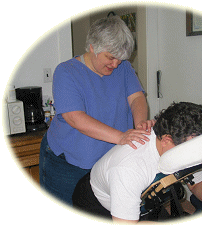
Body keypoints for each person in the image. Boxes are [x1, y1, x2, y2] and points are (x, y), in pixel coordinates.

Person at [39, 15, 154, 206]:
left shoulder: (123, 68)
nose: (116, 64)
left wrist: (140, 125)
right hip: (67, 163)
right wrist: (121, 137)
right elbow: (76, 118)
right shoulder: (67, 72)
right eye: (110, 57)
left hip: (106, 160)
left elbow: (136, 97)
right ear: (93, 46)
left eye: (120, 59)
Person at [72, 102, 202, 223]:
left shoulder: (183, 145)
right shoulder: (129, 168)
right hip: (97, 207)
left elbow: (198, 181)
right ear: (166, 140)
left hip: (142, 198)